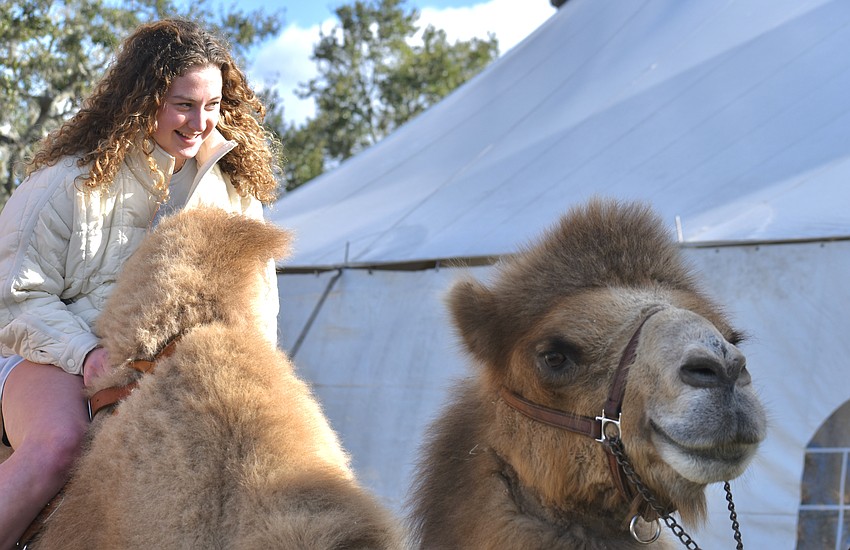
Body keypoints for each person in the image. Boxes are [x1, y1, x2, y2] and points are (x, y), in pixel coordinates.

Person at [0, 18, 281, 547]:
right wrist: (87, 355)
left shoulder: (238, 197)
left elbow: (258, 309)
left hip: (181, 370)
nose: (200, 121)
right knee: (60, 445)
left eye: (213, 105)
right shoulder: (66, 182)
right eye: (183, 103)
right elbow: (15, 300)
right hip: (54, 356)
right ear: (144, 96)